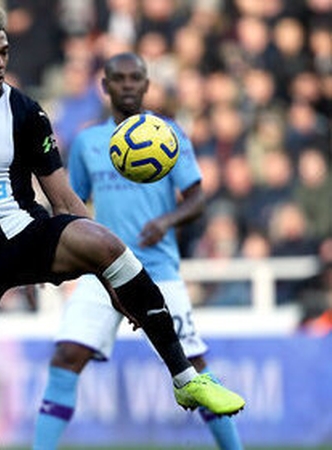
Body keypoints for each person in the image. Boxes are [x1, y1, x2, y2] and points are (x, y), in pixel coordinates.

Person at [0, 4, 245, 449]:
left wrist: (108, 277)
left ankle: (185, 378)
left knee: (104, 242)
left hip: (22, 235)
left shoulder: (25, 112)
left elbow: (63, 197)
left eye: (4, 52)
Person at [33, 52, 243, 449]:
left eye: (136, 78)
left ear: (147, 85)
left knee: (193, 368)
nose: (128, 84)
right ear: (106, 86)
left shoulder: (169, 135)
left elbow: (197, 198)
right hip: (102, 270)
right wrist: (49, 260)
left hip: (158, 269)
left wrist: (166, 221)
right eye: (120, 78)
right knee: (66, 357)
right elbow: (71, 205)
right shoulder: (88, 142)